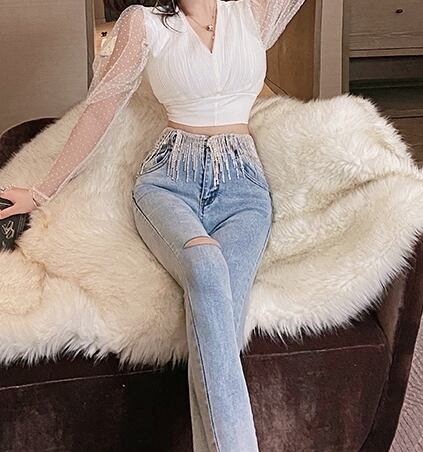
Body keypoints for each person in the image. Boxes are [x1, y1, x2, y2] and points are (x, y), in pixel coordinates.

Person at [0, 0, 306, 450]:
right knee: (206, 267)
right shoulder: (144, 24)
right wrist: (43, 190)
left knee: (225, 310)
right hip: (168, 183)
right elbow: (99, 110)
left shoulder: (253, 13)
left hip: (243, 190)